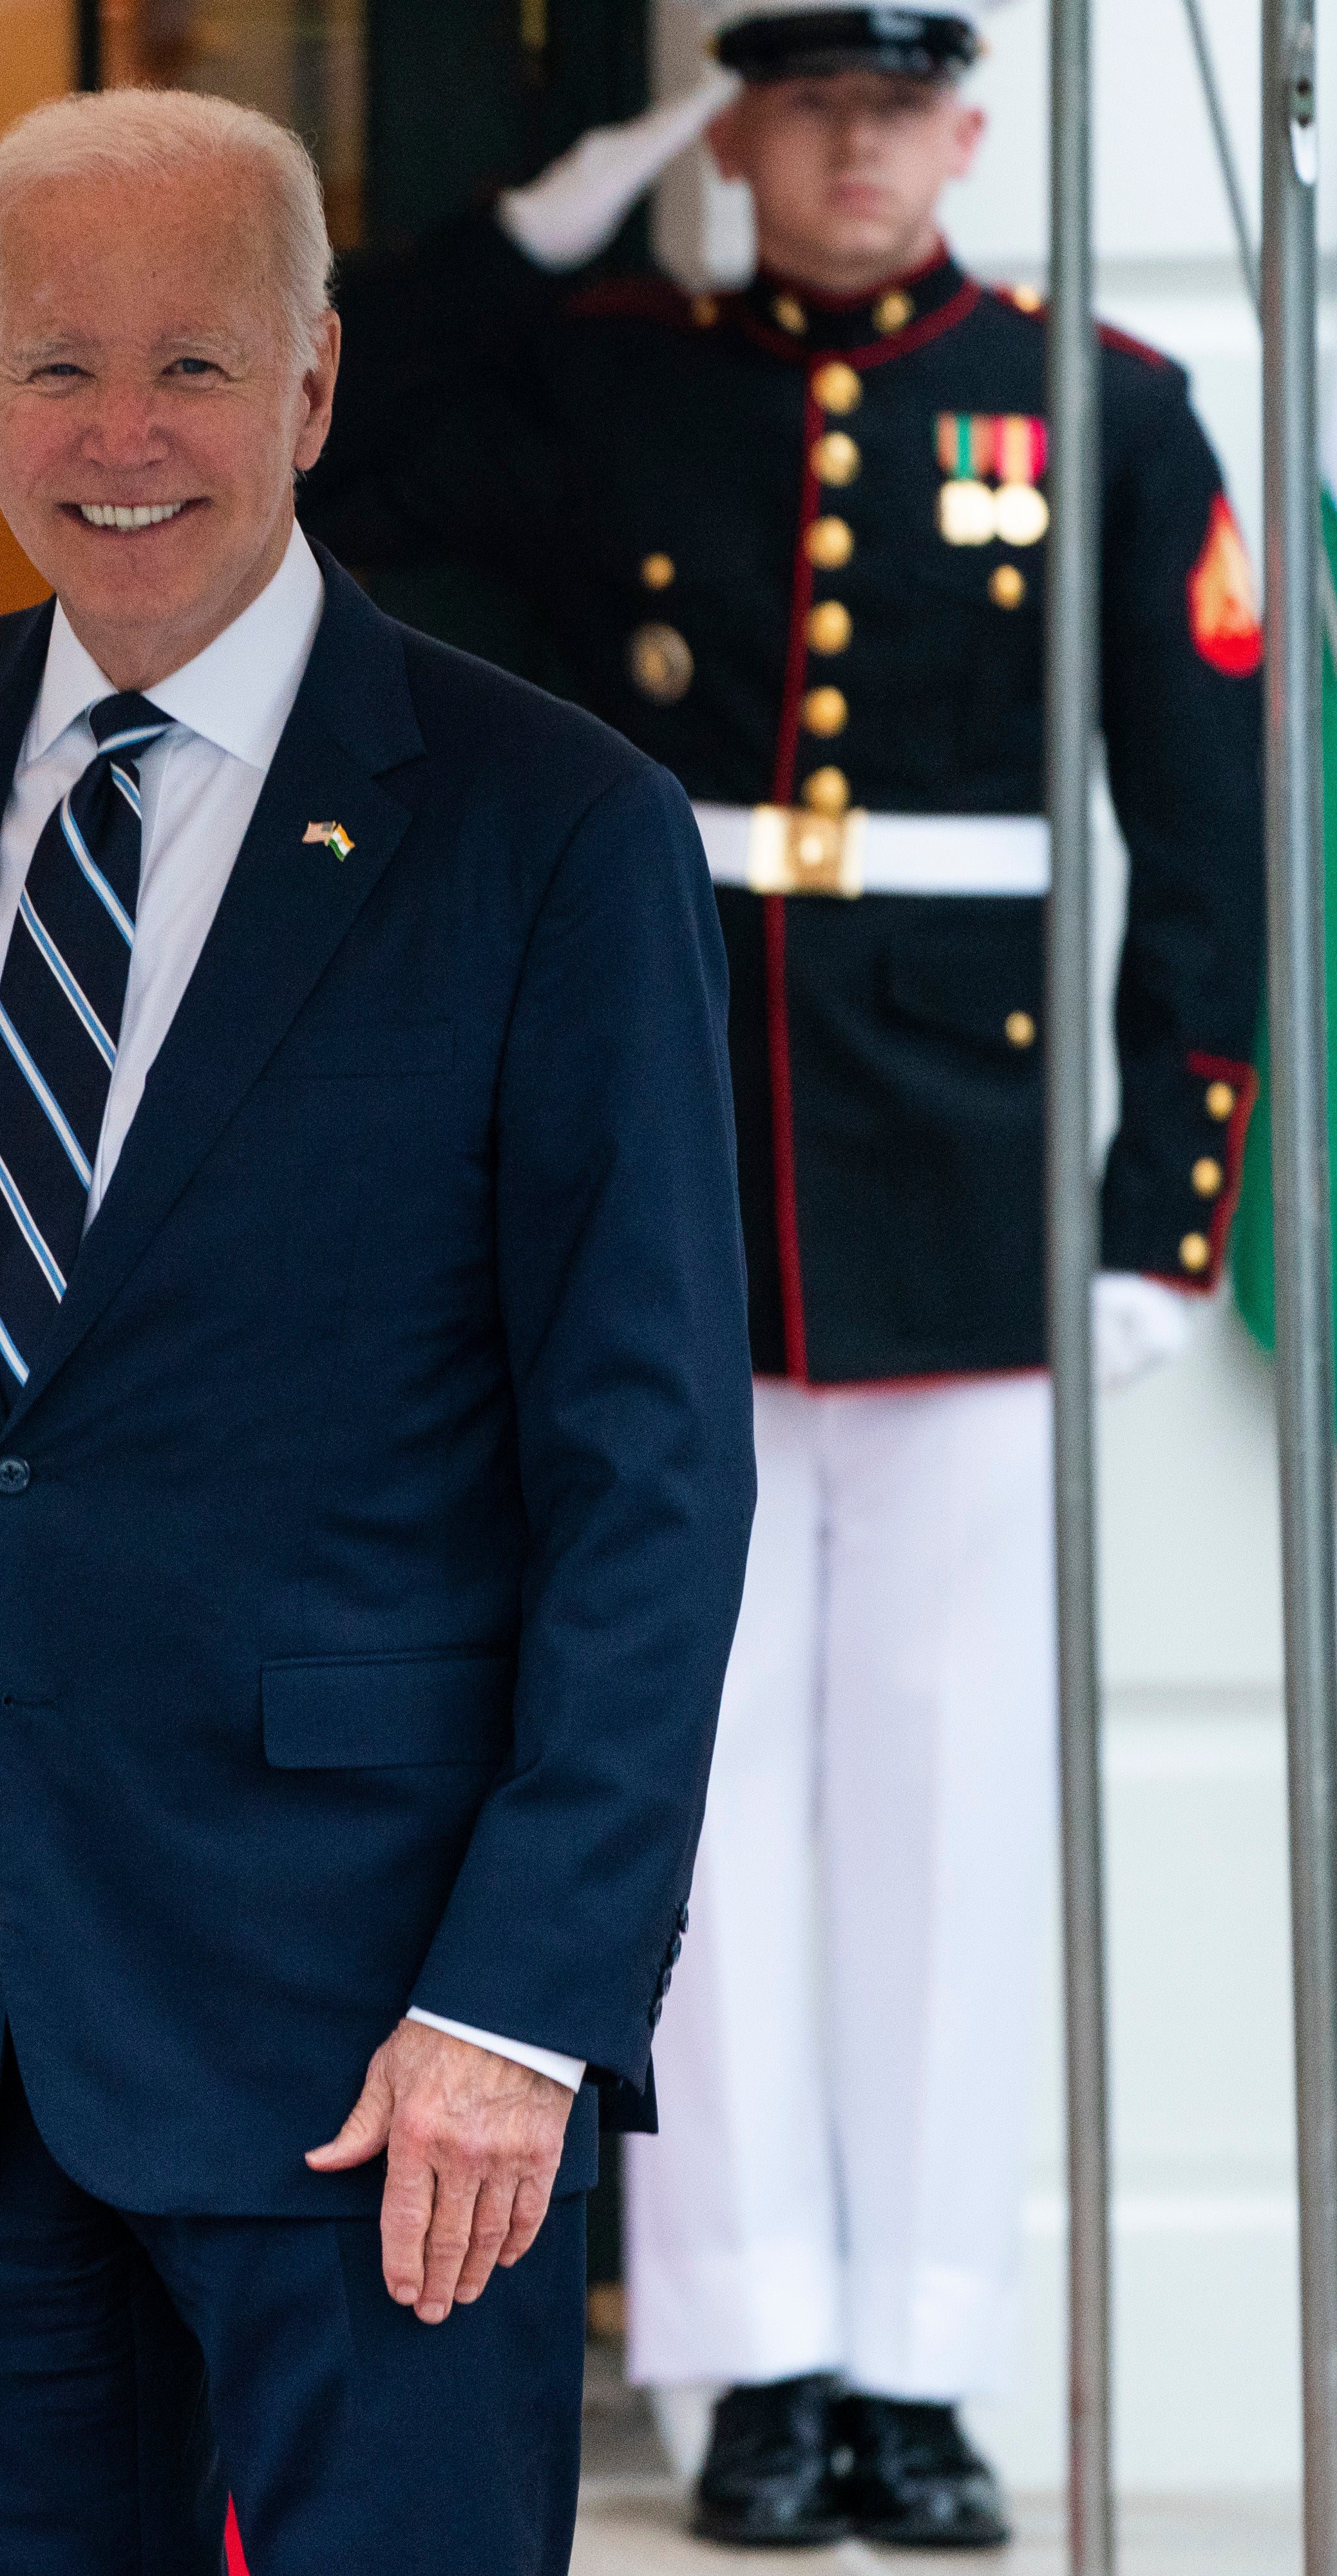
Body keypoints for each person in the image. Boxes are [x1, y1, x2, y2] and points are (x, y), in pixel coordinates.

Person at [0, 90, 755, 2575]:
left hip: (384, 2050)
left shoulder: (553, 826)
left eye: (193, 363)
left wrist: (526, 2005)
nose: (121, 436)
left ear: (311, 389)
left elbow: (652, 1473)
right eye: (54, 368)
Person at [307, 3, 1269, 2543]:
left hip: (967, 1192)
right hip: (678, 1170)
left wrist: (1158, 1206)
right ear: (739, 127)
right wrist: (555, 209)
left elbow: (1212, 838)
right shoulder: (613, 377)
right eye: (804, 105)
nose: (856, 148)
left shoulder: (1107, 403)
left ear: (967, 130)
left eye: (900, 107)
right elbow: (356, 418)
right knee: (698, 1794)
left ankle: (924, 2367)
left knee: (952, 1809)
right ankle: (751, 2354)